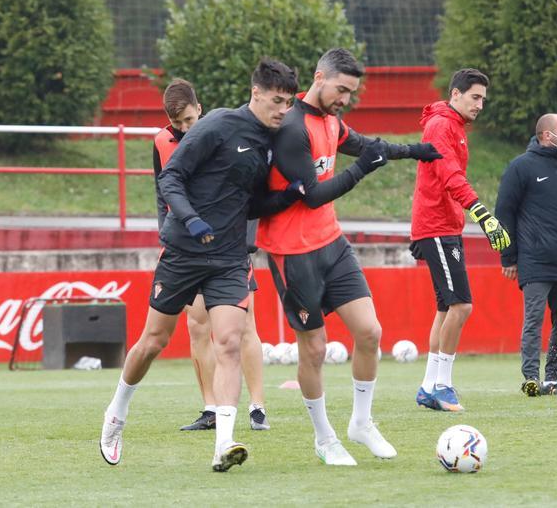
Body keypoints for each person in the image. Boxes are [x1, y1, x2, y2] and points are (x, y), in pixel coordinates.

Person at [100, 59, 304, 472]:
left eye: (289, 102)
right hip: (184, 252)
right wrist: (191, 221)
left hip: (229, 257)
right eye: (278, 101)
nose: (284, 109)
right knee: (153, 341)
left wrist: (289, 196)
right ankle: (116, 412)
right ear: (256, 94)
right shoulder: (216, 125)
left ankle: (224, 443)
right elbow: (170, 178)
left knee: (228, 341)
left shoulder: (274, 142)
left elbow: (254, 202)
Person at [258, 48, 441, 466]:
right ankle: (324, 438)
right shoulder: (291, 128)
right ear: (319, 77)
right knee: (315, 349)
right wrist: (362, 170)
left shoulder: (331, 121)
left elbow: (366, 146)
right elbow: (314, 194)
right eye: (341, 89)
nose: (345, 98)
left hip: (332, 244)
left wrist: (416, 150)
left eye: (351, 93)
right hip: (293, 253)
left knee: (370, 332)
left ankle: (361, 423)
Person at [153, 80, 269, 432]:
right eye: (178, 125)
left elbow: (246, 189)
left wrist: (246, 240)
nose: (185, 129)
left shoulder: (223, 133)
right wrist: (169, 237)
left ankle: (257, 407)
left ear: (200, 108)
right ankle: (211, 408)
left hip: (230, 247)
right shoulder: (161, 142)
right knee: (196, 327)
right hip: (187, 248)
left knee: (243, 327)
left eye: (189, 120)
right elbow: (163, 192)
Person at [410, 68, 509, 413]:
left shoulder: (453, 126)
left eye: (483, 98)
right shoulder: (441, 126)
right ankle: (442, 385)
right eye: (474, 97)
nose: (480, 104)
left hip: (444, 225)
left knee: (444, 308)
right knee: (461, 306)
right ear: (455, 94)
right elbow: (450, 176)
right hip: (436, 226)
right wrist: (484, 214)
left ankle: (427, 386)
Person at [495, 114, 557, 397]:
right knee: (533, 320)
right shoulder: (521, 167)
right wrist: (508, 257)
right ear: (547, 135)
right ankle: (531, 378)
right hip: (535, 259)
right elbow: (503, 214)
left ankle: (552, 379)